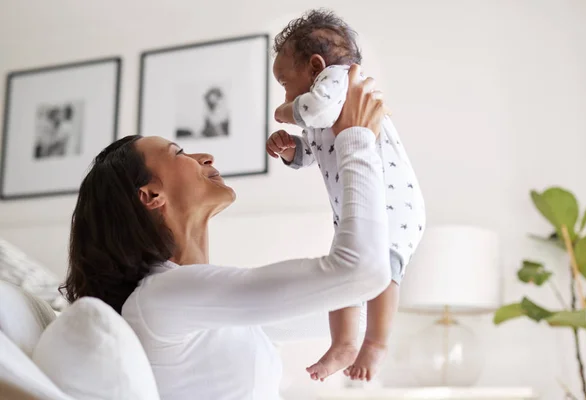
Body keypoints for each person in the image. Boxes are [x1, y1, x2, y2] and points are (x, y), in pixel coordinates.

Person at [60, 65, 391, 400]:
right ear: (150, 195)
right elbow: (362, 273)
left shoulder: (197, 304)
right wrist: (355, 138)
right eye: (179, 153)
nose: (205, 156)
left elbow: (356, 307)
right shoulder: (161, 299)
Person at [267, 9, 426, 382]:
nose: (286, 94)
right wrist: (293, 150)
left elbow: (315, 110)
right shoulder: (327, 112)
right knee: (342, 275)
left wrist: (286, 112)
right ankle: (343, 344)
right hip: (356, 207)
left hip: (394, 205)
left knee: (383, 270)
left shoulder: (340, 83)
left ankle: (375, 343)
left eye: (285, 82)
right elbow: (316, 150)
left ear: (317, 67)